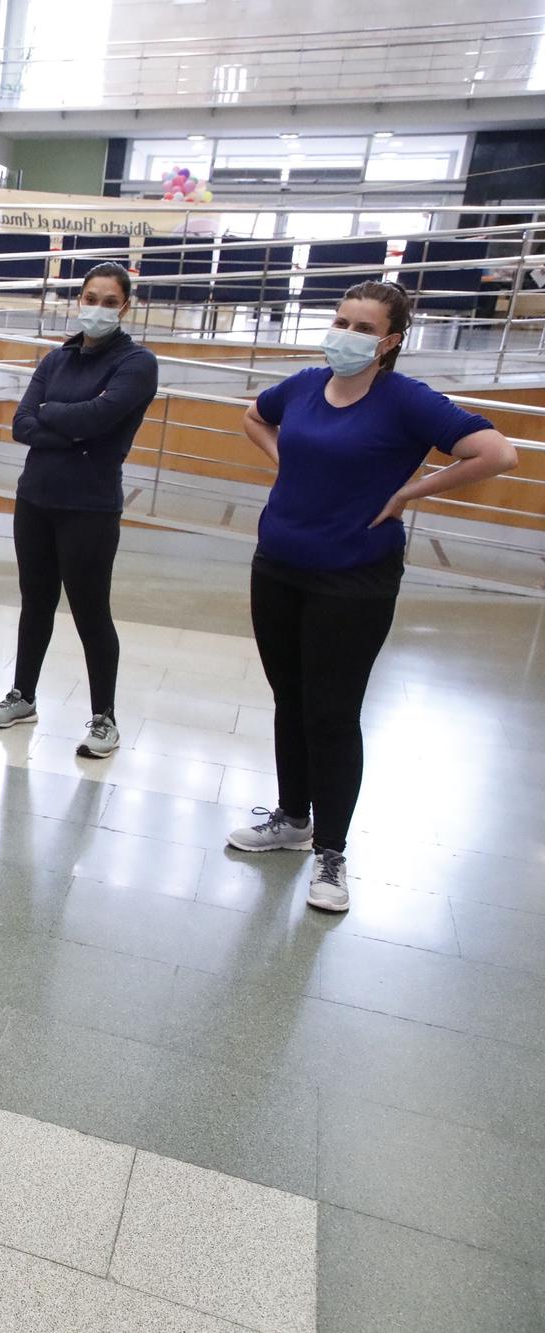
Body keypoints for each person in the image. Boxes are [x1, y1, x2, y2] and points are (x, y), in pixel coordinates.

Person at [229, 282, 516, 912]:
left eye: (362, 327)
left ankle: (331, 852)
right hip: (278, 564)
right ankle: (291, 817)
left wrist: (409, 493)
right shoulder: (304, 385)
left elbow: (497, 451)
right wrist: (286, 461)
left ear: (390, 341)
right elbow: (255, 415)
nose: (346, 335)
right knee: (290, 698)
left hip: (352, 579)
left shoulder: (405, 400)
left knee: (332, 713)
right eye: (340, 321)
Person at [0, 262, 158, 757]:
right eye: (90, 297)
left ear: (126, 307)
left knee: (90, 612)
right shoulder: (56, 360)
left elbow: (103, 417)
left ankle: (104, 717)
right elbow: (21, 424)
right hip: (35, 499)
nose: (97, 308)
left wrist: (54, 415)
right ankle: (23, 696)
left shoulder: (136, 363)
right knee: (35, 602)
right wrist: (74, 427)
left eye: (108, 301)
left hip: (90, 507)